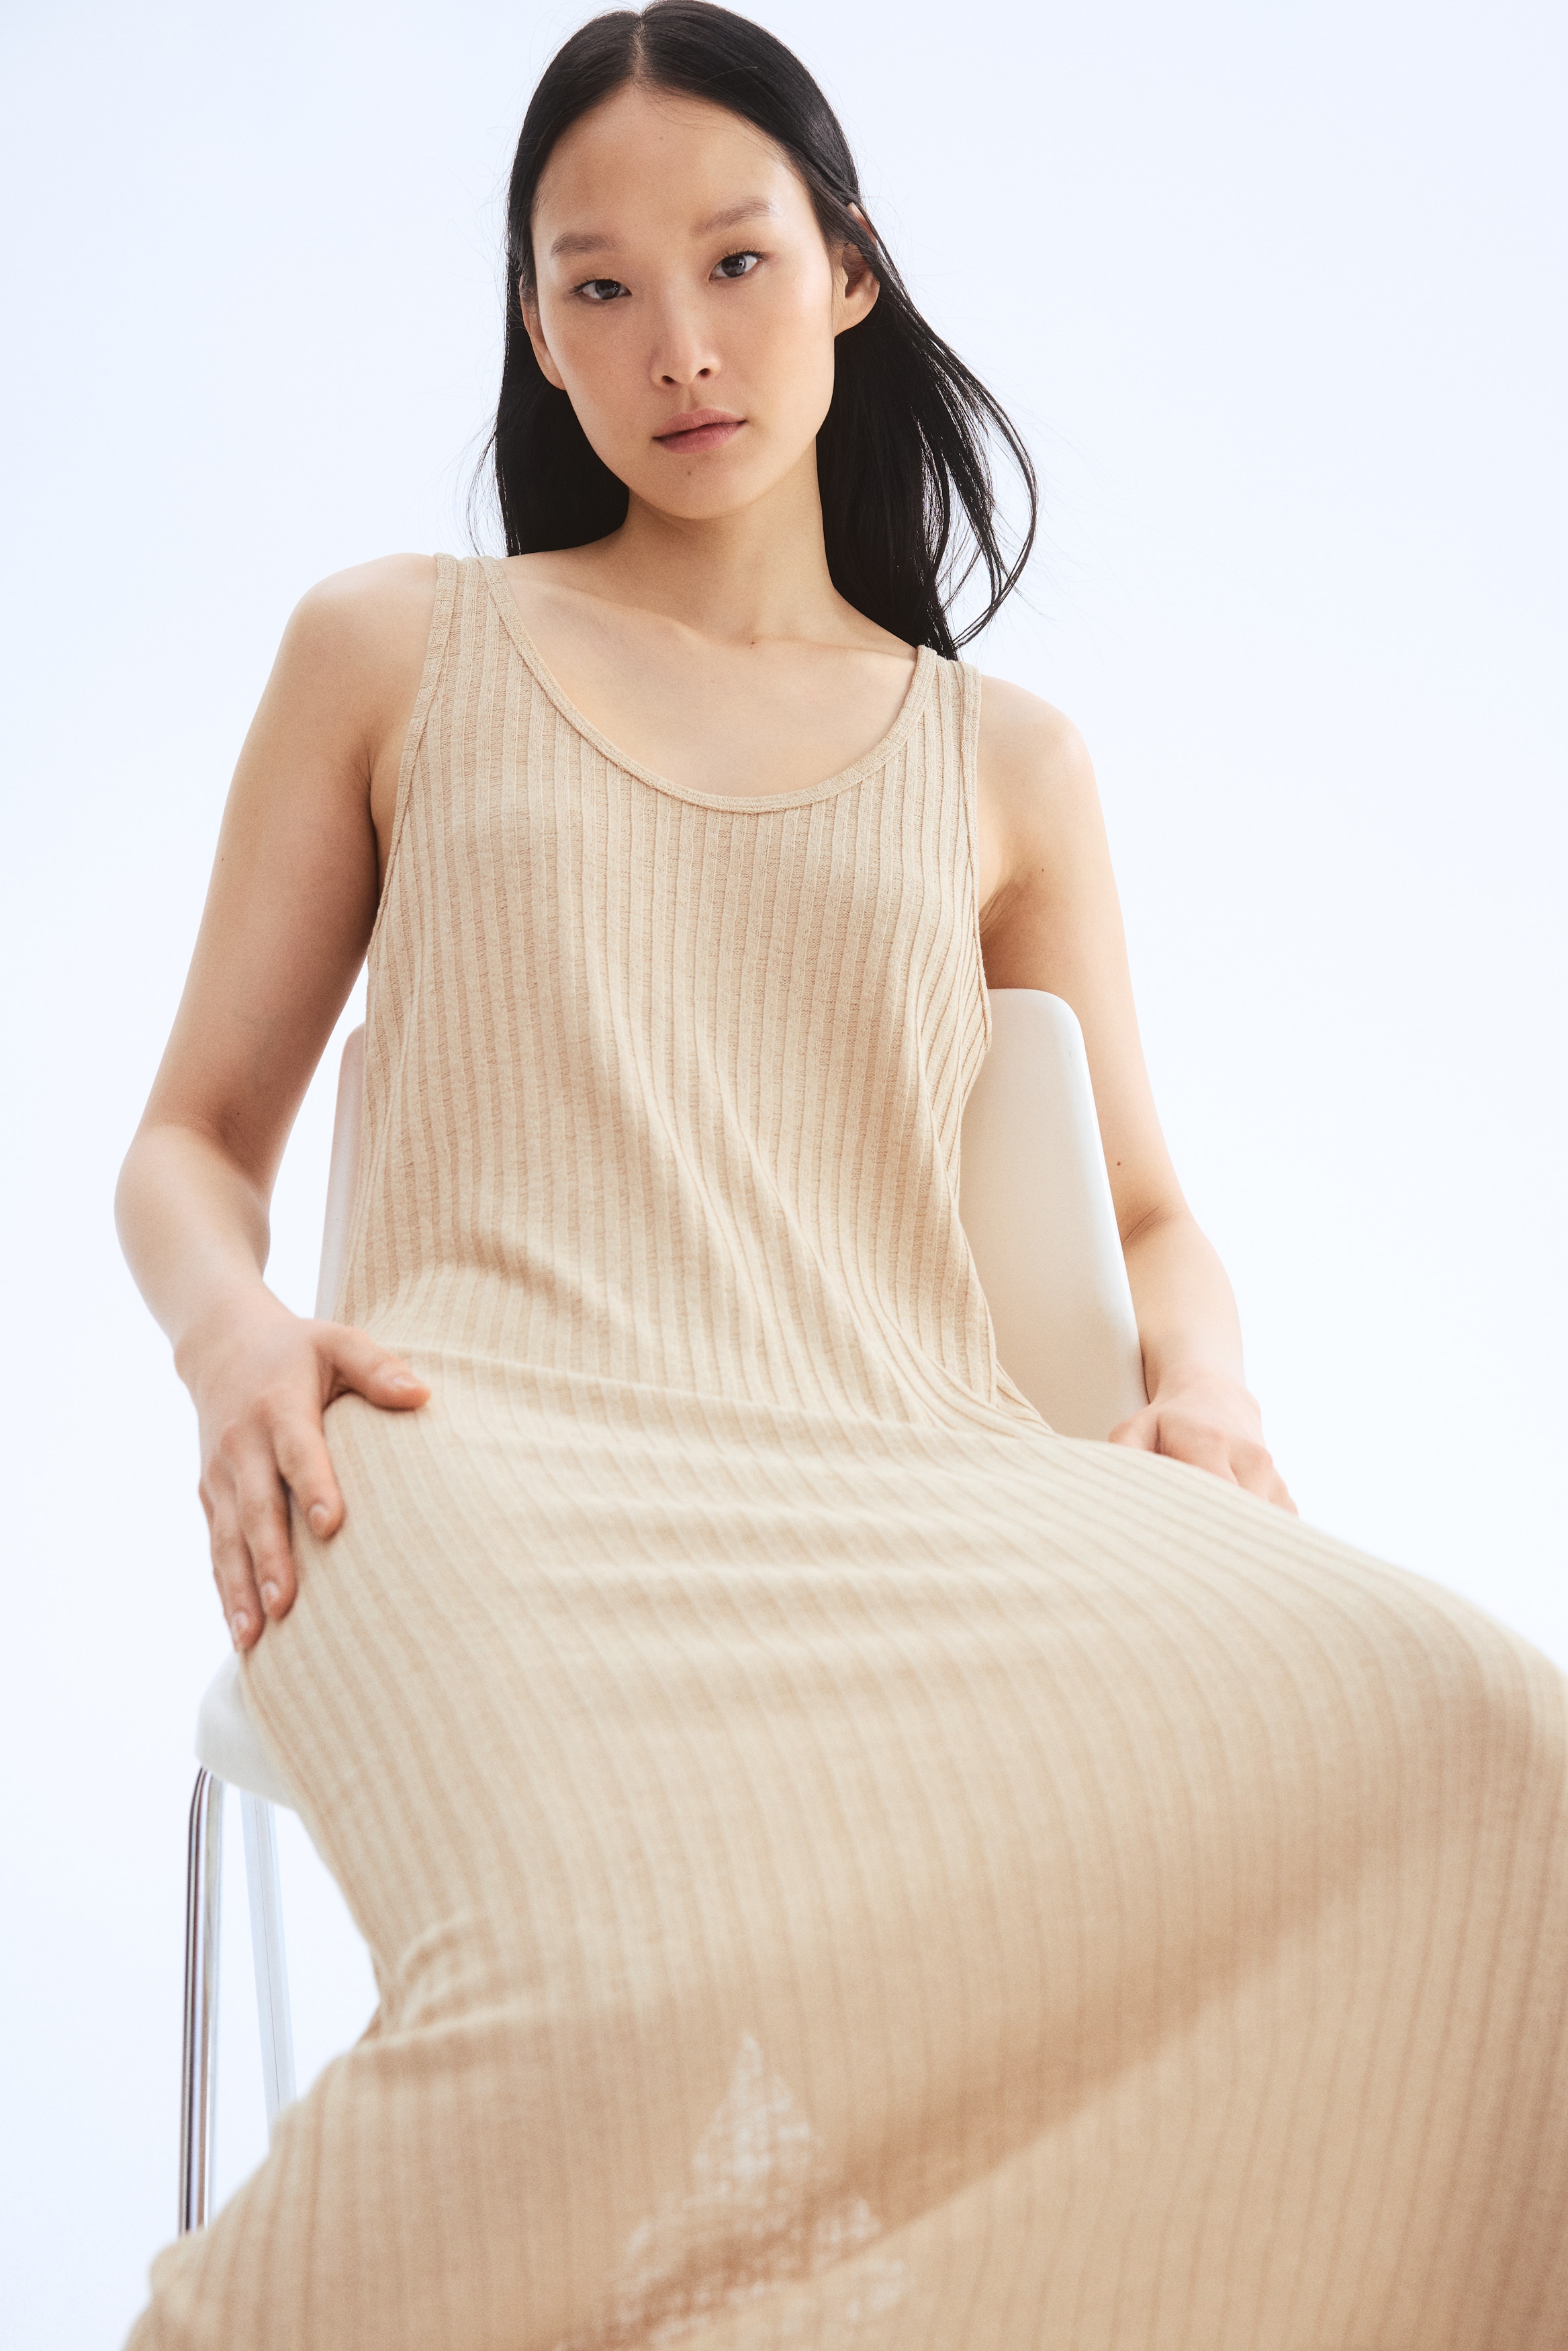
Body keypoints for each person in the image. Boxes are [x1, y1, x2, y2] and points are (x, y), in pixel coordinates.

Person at [115, 5, 1568, 2344]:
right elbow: (191, 1141)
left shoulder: (1005, 759)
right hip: (473, 1451)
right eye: (598, 287)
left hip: (914, 1469)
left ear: (852, 271)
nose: (677, 345)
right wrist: (231, 1342)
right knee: (614, 1976)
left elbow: (1152, 1208)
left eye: (736, 261)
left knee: (1493, 1735)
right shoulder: (392, 647)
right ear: (536, 332)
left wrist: (1205, 1388)